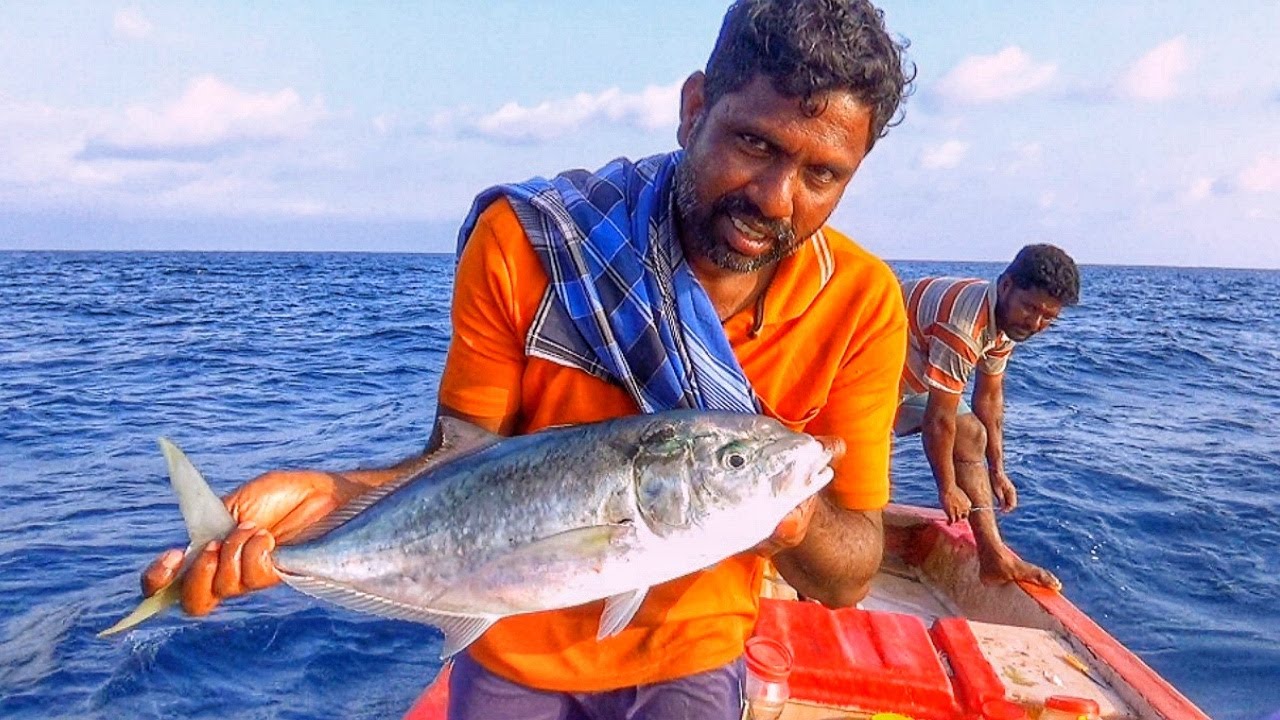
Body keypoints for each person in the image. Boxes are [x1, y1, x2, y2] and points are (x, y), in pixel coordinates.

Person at [139, 1, 913, 717]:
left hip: (695, 649)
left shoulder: (861, 303)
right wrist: (329, 498)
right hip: (509, 637)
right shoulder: (534, 242)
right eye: (754, 144)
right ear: (693, 109)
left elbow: (849, 573)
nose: (777, 198)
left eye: (823, 174)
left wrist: (787, 514)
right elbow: (462, 466)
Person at [894, 243, 1080, 590]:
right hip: (864, 370)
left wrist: (998, 471)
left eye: (1048, 318)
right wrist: (947, 488)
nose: (1036, 323)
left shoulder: (1007, 321)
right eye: (1031, 308)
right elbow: (939, 420)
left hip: (910, 372)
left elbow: (989, 396)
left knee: (972, 435)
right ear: (1006, 285)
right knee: (861, 480)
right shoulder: (965, 325)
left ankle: (993, 557)